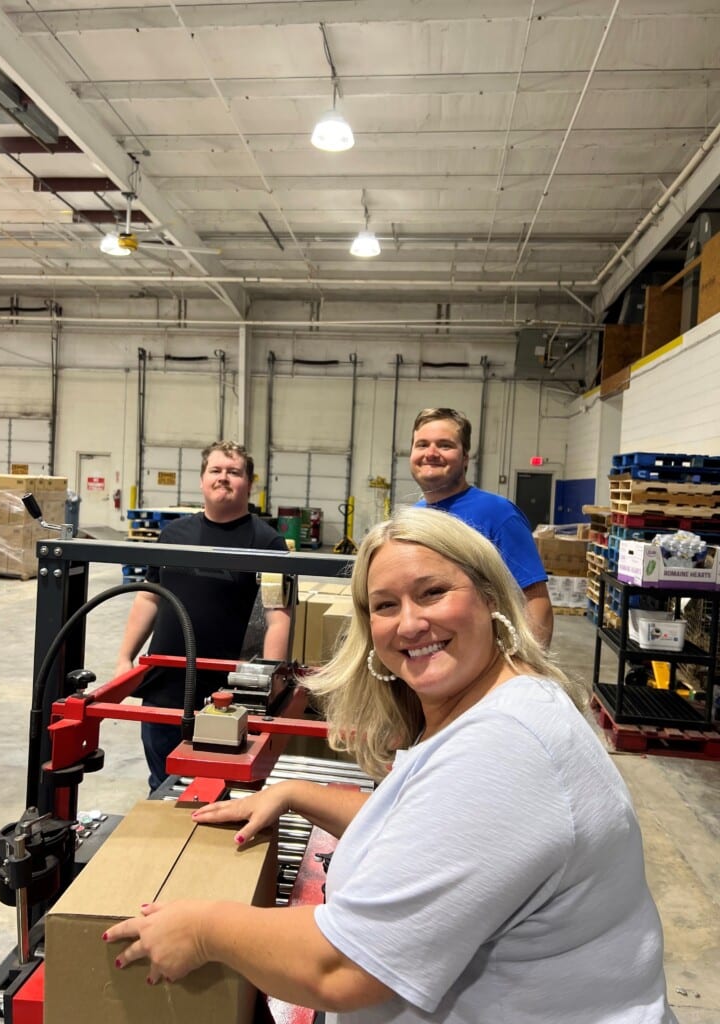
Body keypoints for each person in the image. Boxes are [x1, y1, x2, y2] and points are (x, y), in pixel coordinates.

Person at [105, 506, 675, 1024]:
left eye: (431, 593)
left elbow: (344, 968)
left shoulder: (503, 750)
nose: (408, 624)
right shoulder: (509, 702)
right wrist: (296, 792)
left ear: (491, 598)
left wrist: (203, 930)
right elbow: (427, 826)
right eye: (385, 605)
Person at [115, 441, 291, 791]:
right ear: (201, 480)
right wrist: (124, 658)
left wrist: (269, 683)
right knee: (163, 785)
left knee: (221, 789)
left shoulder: (266, 542)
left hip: (225, 696)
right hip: (165, 689)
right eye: (216, 470)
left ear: (249, 483)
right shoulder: (174, 535)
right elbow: (150, 598)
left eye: (234, 472)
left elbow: (278, 615)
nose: (224, 478)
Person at [409, 406, 553, 645]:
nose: (431, 453)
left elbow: (536, 602)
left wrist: (526, 669)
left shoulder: (498, 514)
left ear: (465, 458)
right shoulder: (415, 517)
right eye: (422, 444)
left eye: (445, 445)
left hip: (486, 663)